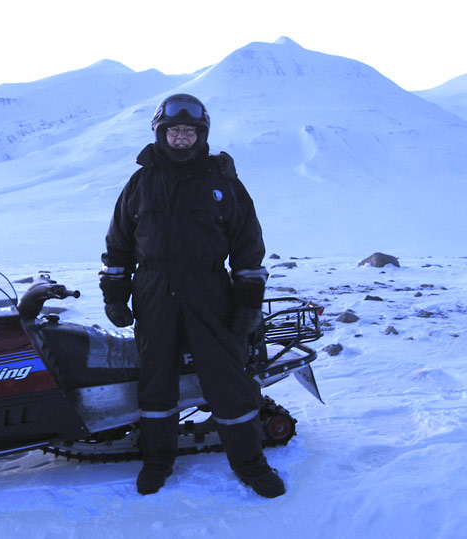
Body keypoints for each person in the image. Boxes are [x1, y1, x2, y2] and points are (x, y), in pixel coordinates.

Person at [99, 94, 284, 498]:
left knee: (229, 380)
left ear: (201, 135)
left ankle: (251, 465)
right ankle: (158, 461)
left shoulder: (224, 184)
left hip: (210, 291)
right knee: (156, 380)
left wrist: (249, 303)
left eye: (189, 131)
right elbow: (118, 246)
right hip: (154, 292)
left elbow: (248, 248)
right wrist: (116, 294)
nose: (181, 137)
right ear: (160, 134)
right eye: (173, 130)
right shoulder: (140, 184)